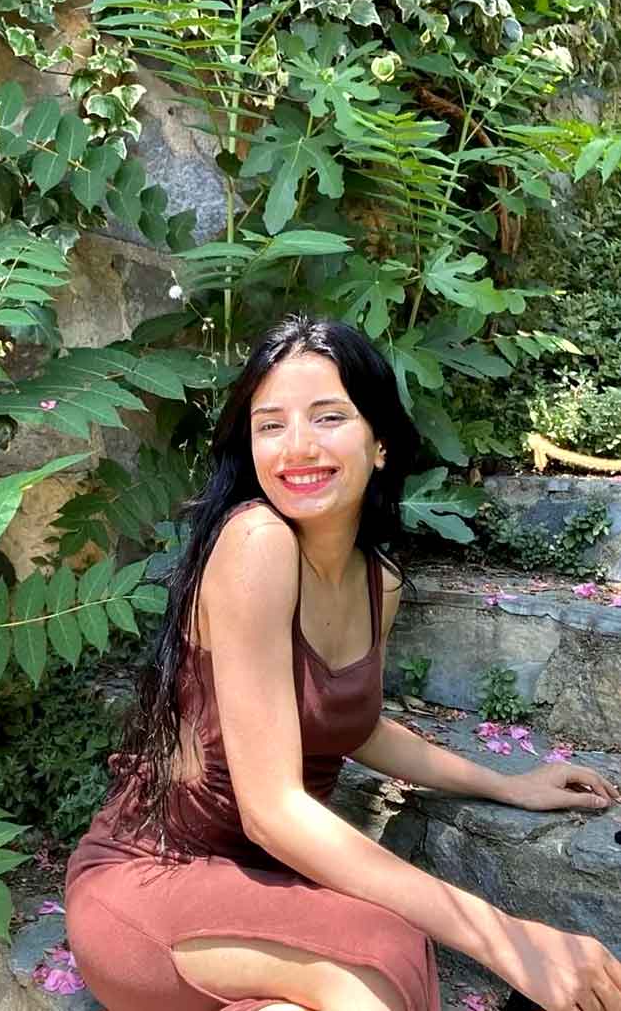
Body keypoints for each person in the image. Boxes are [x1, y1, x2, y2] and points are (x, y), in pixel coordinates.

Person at [65, 316, 621, 1011]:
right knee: (384, 954)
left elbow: (354, 727)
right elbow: (271, 812)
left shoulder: (375, 581)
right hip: (154, 882)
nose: (298, 446)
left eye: (328, 417)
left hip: (265, 891)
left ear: (379, 442)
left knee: (373, 969)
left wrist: (507, 785)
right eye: (270, 425)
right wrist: (509, 941)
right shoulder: (256, 541)